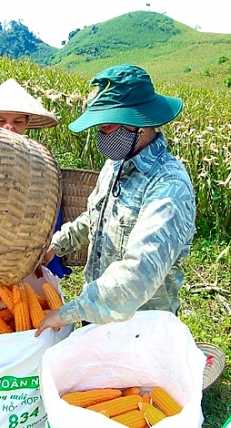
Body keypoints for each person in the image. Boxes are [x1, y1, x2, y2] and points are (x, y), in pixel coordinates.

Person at [35, 64, 197, 336]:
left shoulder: (169, 185)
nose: (101, 136)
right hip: (98, 312)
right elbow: (96, 216)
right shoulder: (115, 164)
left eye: (107, 127)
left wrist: (67, 313)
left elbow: (139, 273)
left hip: (140, 328)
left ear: (139, 124)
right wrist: (56, 246)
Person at [0, 78, 71, 279]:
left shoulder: (40, 160)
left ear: (27, 123)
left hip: (27, 242)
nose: (9, 127)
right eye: (0, 121)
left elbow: (50, 208)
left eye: (17, 122)